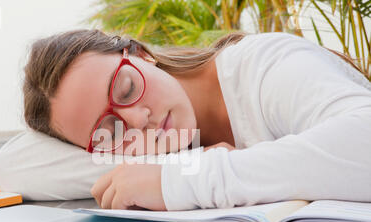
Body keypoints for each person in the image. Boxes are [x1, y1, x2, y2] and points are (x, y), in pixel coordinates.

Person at [19, 29, 371, 211]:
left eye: (126, 89)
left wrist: (181, 179)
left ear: (141, 54)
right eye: (110, 130)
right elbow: (10, 168)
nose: (140, 119)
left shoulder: (262, 65)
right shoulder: (142, 148)